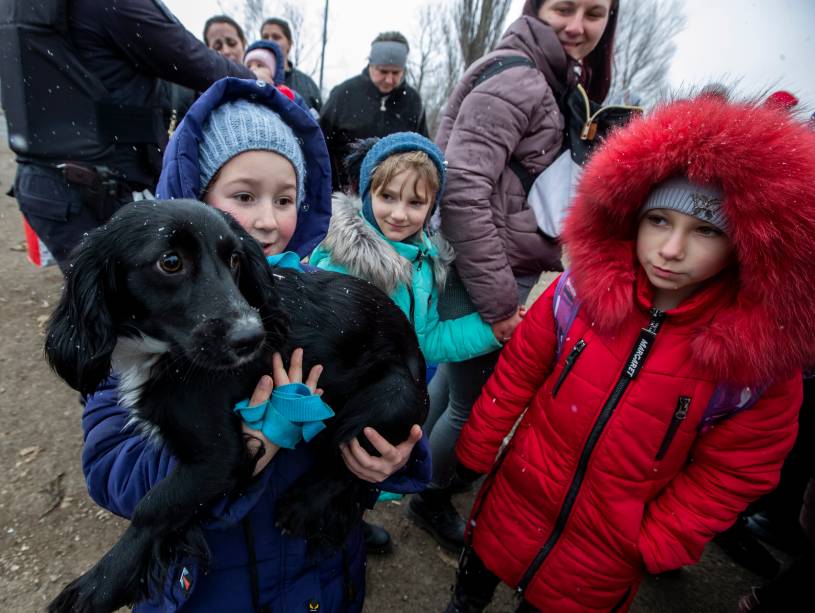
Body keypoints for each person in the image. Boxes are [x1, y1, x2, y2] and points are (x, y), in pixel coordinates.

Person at [444, 94, 815, 612]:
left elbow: (735, 469)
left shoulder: (754, 364)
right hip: (520, 491)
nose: (671, 249)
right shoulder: (580, 292)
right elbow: (521, 370)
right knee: (475, 578)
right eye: (659, 220)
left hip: (605, 545)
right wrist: (479, 443)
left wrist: (659, 539)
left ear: (747, 245)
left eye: (706, 231)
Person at [81, 77, 429, 611]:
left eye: (286, 199)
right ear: (193, 202)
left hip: (318, 576)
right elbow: (110, 468)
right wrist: (254, 445)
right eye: (244, 197)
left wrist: (395, 456)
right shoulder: (134, 330)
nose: (267, 221)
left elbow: (398, 404)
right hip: (213, 584)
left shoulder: (306, 297)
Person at [410, 0, 619, 551]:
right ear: (536, 8)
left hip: (488, 263)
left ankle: (411, 469)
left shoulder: (547, 76)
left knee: (449, 385)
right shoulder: (523, 77)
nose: (577, 25)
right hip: (486, 269)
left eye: (594, 12)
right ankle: (429, 495)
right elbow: (461, 188)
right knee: (469, 402)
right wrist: (502, 302)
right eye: (564, 7)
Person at [3, 0, 253, 269]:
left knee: (101, 297)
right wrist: (264, 85)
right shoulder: (110, 6)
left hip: (45, 186)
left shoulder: (19, 8)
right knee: (129, 301)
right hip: (96, 190)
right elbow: (192, 59)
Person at [311, 132, 511, 369]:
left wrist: (491, 332)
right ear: (367, 195)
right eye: (387, 196)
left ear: (430, 208)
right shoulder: (342, 264)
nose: (399, 214)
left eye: (415, 203)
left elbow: (425, 341)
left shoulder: (423, 259)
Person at [320, 31, 428, 192]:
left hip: (396, 194)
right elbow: (321, 143)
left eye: (396, 73)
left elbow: (422, 149)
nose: (389, 79)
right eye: (383, 71)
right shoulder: (343, 95)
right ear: (370, 64)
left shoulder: (413, 101)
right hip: (345, 195)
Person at [261, 17, 323, 111]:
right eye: (265, 37)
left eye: (276, 37)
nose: (269, 41)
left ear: (289, 44)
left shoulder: (307, 85)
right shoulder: (249, 78)